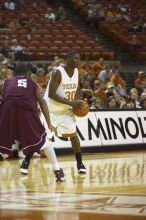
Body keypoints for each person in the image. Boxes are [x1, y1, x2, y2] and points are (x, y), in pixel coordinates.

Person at [0, 64, 65, 182]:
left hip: (7, 111)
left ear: (14, 74)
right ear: (27, 74)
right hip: (25, 111)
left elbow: (5, 98)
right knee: (44, 141)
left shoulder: (6, 82)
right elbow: (42, 101)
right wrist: (49, 123)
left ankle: (5, 152)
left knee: (5, 139)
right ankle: (58, 171)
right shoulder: (31, 83)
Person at [43, 51, 86, 174]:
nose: (78, 60)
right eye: (75, 58)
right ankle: (26, 161)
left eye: (79, 58)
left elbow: (77, 88)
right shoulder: (58, 72)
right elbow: (51, 94)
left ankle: (80, 163)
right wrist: (71, 103)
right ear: (67, 59)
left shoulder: (77, 72)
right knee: (44, 139)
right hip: (50, 110)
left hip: (66, 110)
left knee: (74, 136)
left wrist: (76, 101)